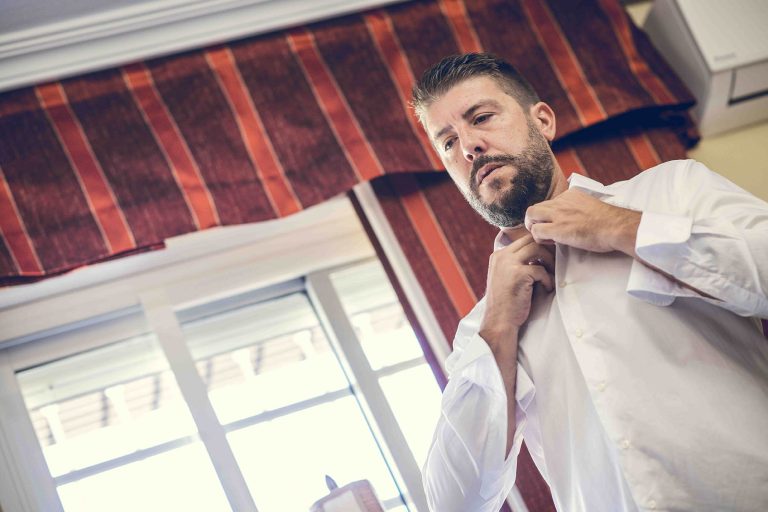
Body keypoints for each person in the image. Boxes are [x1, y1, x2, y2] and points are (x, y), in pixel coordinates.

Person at [412, 53, 768, 512]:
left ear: (542, 120)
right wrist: (499, 330)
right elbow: (451, 504)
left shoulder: (673, 190)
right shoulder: (482, 329)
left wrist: (621, 227)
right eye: (447, 143)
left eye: (481, 117)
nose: (469, 147)